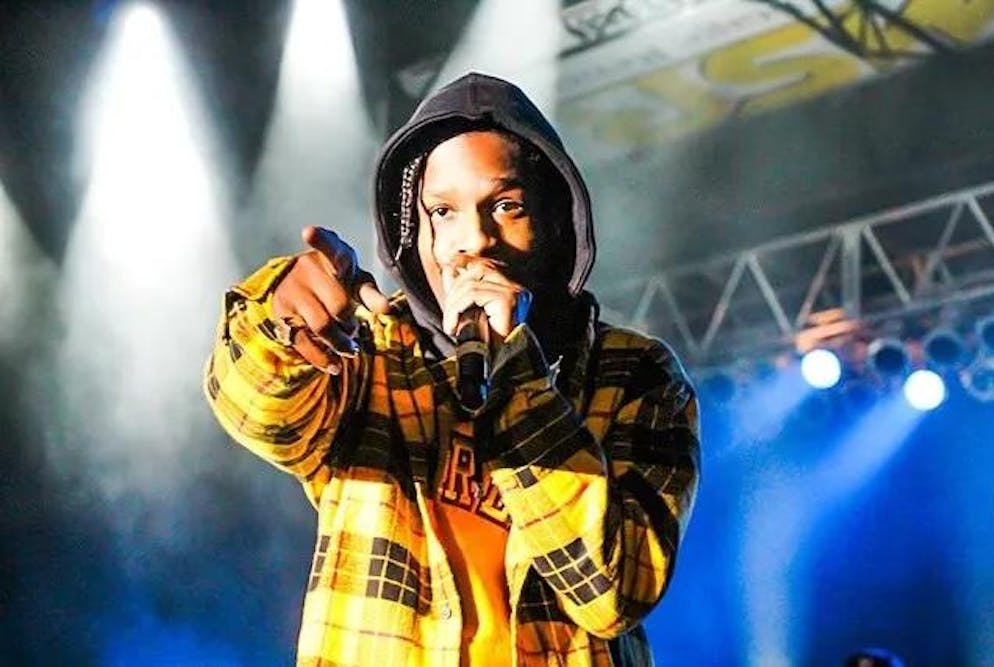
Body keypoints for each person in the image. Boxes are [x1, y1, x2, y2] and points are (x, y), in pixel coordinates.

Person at [204, 72, 700, 666]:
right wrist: (279, 321)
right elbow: (256, 413)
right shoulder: (371, 356)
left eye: (507, 207)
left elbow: (613, 593)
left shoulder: (635, 373)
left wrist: (518, 376)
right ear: (413, 234)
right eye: (443, 211)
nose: (475, 241)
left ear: (555, 223)